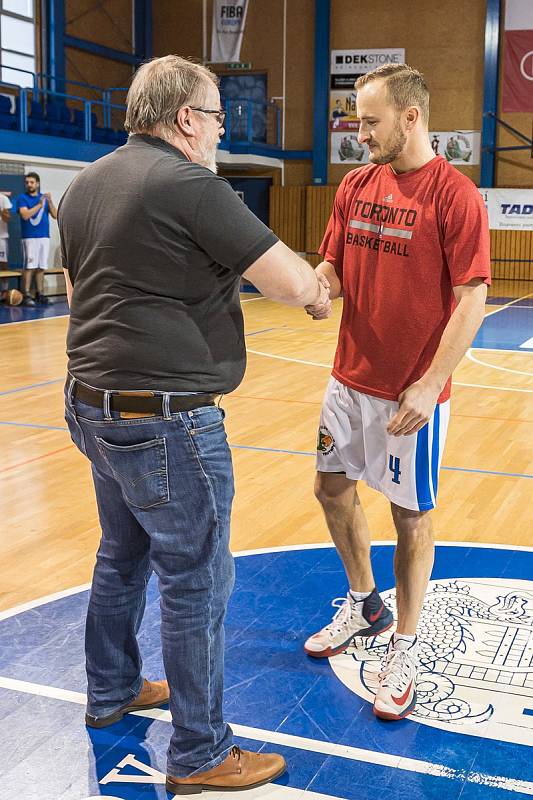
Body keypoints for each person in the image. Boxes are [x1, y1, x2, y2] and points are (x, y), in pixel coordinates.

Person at [58, 55, 329, 794]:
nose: (217, 130)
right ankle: (202, 752)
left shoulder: (85, 182)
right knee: (197, 581)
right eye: (213, 117)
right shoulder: (188, 184)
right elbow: (288, 282)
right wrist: (317, 288)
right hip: (166, 421)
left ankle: (110, 688)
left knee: (122, 555)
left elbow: (82, 286)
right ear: (184, 119)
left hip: (91, 402)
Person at [303, 63, 490, 721]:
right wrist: (319, 286)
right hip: (347, 379)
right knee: (329, 488)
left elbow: (472, 297)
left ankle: (403, 646)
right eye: (358, 120)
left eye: (370, 121)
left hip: (410, 394)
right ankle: (364, 604)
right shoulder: (355, 186)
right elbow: (334, 264)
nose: (360, 134)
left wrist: (431, 381)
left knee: (408, 518)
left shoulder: (453, 195)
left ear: (410, 118)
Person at [16, 172, 57, 306]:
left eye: (32, 182)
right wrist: (39, 205)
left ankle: (40, 293)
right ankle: (26, 294)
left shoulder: (44, 198)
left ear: (37, 184)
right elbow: (25, 215)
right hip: (29, 238)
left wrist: (49, 201)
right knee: (29, 266)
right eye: (27, 182)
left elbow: (55, 215)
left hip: (44, 237)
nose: (29, 184)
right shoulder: (22, 198)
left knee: (41, 267)